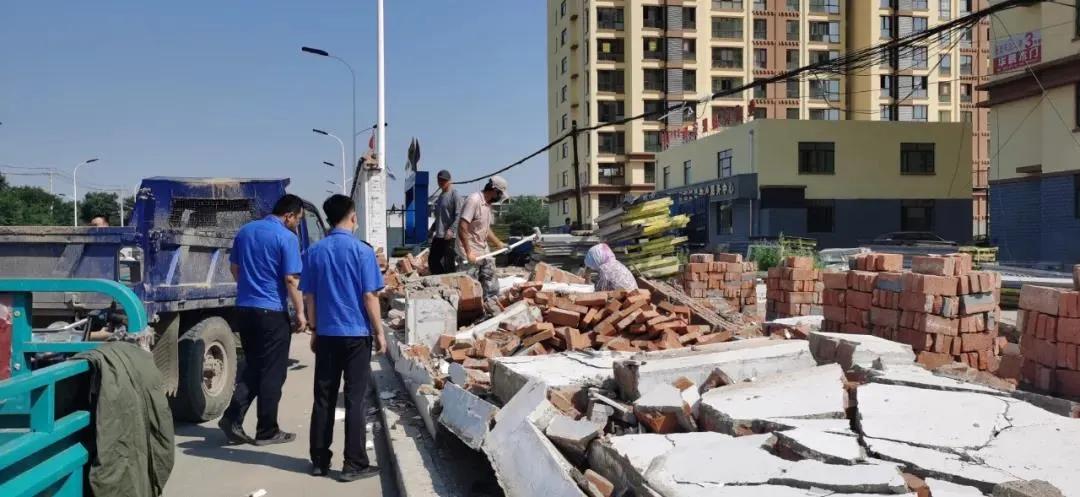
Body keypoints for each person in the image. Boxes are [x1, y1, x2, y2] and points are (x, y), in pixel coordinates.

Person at [301, 194, 385, 481]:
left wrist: (313, 329)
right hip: (356, 335)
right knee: (354, 399)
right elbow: (370, 296)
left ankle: (319, 460)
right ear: (352, 217)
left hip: (326, 334)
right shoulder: (362, 252)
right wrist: (380, 332)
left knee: (323, 397)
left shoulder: (314, 252)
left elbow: (309, 296)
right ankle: (354, 463)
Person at [219, 194, 307, 446]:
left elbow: (235, 269)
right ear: (289, 216)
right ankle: (267, 429)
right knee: (273, 373)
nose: (297, 225)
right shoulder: (286, 238)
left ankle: (232, 418)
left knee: (255, 367)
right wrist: (300, 313)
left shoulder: (246, 231)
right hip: (271, 312)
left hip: (245, 309)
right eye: (298, 220)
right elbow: (291, 279)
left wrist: (250, 289)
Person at [459, 176, 508, 307]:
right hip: (469, 248)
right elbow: (462, 226)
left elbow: (485, 229)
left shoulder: (488, 205)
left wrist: (498, 243)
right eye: (500, 194)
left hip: (482, 247)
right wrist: (469, 253)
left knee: (490, 277)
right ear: (494, 190)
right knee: (470, 285)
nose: (499, 198)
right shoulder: (474, 200)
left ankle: (491, 305)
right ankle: (469, 312)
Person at [428, 169, 463, 275]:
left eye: (444, 180)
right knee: (433, 260)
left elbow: (459, 216)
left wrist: (451, 230)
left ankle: (451, 286)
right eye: (439, 180)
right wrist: (432, 229)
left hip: (449, 237)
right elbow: (439, 216)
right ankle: (440, 280)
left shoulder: (454, 195)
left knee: (449, 263)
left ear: (450, 180)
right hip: (439, 235)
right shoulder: (441, 196)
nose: (441, 182)